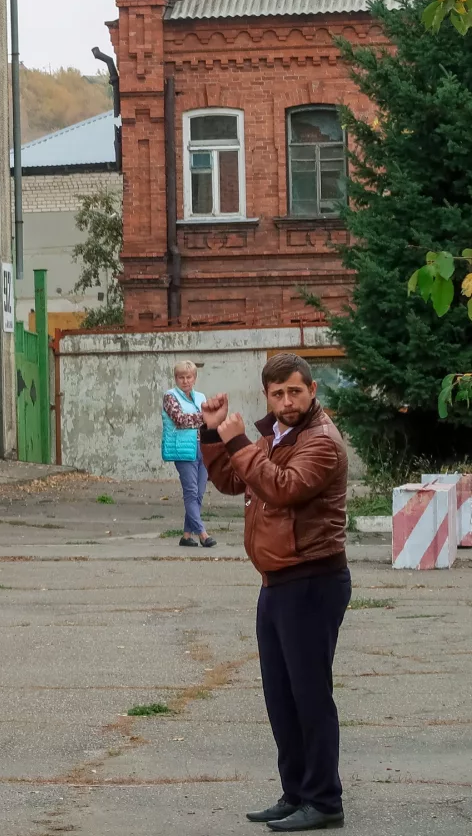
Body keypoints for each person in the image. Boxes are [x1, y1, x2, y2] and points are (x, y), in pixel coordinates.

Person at [200, 353, 350, 833]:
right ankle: (296, 793)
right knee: (281, 698)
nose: (286, 401)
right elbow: (231, 479)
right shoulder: (275, 435)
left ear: (312, 390)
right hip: (277, 579)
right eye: (277, 393)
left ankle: (324, 799)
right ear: (267, 394)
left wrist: (240, 440)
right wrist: (213, 432)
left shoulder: (321, 441)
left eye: (294, 391)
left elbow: (282, 488)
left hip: (312, 578)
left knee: (310, 696)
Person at [162, 361, 216, 548]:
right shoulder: (170, 396)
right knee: (191, 492)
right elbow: (180, 420)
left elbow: (209, 423)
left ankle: (186, 536)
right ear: (176, 378)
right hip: (183, 450)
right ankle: (203, 533)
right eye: (181, 377)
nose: (185, 381)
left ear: (194, 378)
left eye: (188, 377)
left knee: (199, 493)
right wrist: (206, 417)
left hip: (203, 448)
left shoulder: (200, 396)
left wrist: (208, 420)